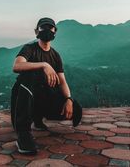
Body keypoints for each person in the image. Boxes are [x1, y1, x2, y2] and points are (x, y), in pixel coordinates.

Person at [11, 17, 82, 155]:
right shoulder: (29, 48)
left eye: (51, 28)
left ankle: (38, 119)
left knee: (76, 111)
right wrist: (44, 65)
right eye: (43, 28)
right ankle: (23, 134)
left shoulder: (55, 55)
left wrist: (69, 99)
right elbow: (17, 66)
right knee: (30, 75)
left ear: (55, 32)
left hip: (43, 98)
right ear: (36, 31)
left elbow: (62, 81)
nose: (47, 30)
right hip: (24, 98)